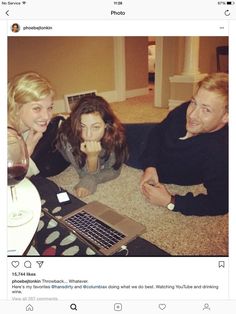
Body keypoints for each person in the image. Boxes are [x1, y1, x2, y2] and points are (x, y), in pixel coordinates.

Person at [140, 73, 228, 216]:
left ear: (226, 116)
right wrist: (150, 166)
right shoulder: (185, 110)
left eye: (206, 109)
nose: (192, 114)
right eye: (194, 102)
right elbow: (157, 132)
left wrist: (170, 201)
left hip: (154, 154)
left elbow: (221, 202)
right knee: (108, 125)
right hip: (151, 140)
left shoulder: (221, 151)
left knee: (108, 138)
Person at [56, 95, 128, 198]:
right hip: (58, 145)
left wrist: (92, 179)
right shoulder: (68, 137)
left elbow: (114, 170)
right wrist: (92, 157)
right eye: (83, 126)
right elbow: (83, 173)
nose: (88, 135)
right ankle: (60, 119)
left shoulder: (113, 133)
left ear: (107, 125)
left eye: (96, 127)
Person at [8, 72, 55, 177]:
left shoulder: (25, 128)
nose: (47, 117)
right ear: (16, 107)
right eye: (37, 108)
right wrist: (26, 150)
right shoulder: (8, 137)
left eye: (50, 108)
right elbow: (11, 179)